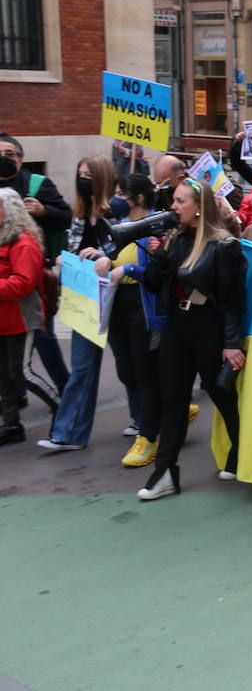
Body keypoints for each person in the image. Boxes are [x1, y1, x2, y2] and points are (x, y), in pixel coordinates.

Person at [134, 178, 246, 500]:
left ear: (199, 208)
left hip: (208, 328)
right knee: (174, 402)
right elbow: (156, 285)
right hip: (176, 325)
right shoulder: (176, 239)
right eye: (174, 201)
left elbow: (232, 300)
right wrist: (158, 254)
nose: (173, 206)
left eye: (180, 201)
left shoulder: (224, 245)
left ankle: (241, 454)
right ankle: (165, 473)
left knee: (223, 398)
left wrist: (230, 344)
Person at [105, 174, 197, 468]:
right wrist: (102, 257)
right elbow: (113, 254)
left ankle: (148, 436)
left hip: (144, 307)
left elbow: (160, 273)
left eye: (121, 192)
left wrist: (130, 269)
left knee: (146, 374)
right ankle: (171, 413)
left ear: (139, 198)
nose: (115, 198)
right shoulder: (121, 227)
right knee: (127, 372)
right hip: (118, 305)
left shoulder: (158, 228)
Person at [37, 156, 120, 453]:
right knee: (82, 368)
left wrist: (100, 255)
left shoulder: (118, 211)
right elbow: (73, 249)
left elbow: (121, 250)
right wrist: (67, 260)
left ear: (102, 178)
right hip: (86, 298)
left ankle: (146, 425)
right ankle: (68, 433)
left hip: (119, 299)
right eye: (79, 174)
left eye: (88, 175)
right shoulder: (78, 213)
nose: (82, 179)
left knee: (131, 370)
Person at [0, 133, 73, 392]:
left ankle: (64, 391)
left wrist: (44, 211)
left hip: (32, 279)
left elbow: (66, 218)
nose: (4, 159)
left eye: (10, 154)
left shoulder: (38, 184)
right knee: (6, 346)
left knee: (42, 337)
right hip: (2, 282)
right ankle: (14, 397)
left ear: (20, 159)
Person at [0, 188, 44, 445]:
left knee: (21, 373)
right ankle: (11, 424)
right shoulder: (5, 237)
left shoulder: (24, 242)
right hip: (4, 317)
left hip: (20, 317)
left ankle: (63, 407)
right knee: (3, 374)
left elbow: (24, 284)